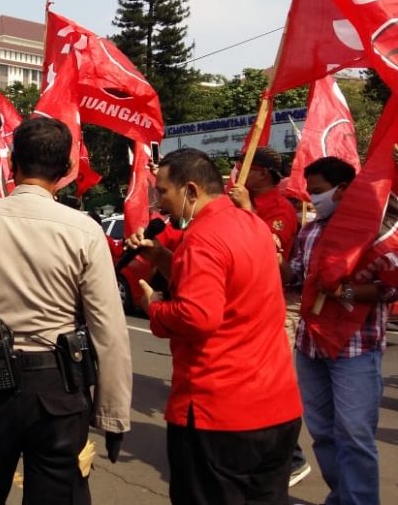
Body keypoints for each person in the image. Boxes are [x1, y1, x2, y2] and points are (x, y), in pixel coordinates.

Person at [0, 117, 132, 505]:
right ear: (66, 169)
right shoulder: (85, 230)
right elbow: (108, 328)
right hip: (60, 389)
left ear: (12, 164)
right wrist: (113, 413)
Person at [128, 148, 302, 504]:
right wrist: (161, 256)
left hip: (219, 413)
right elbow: (224, 287)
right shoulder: (252, 224)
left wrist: (155, 308)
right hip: (275, 407)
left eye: (163, 192)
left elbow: (197, 315)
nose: (160, 204)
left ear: (191, 190)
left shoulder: (203, 237)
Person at [286, 155, 396, 505]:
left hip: (355, 349)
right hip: (310, 345)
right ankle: (340, 497)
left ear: (343, 189)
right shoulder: (309, 230)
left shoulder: (373, 232)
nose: (312, 198)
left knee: (354, 436)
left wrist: (344, 292)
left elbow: (390, 288)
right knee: (322, 432)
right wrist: (274, 260)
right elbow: (297, 276)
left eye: (318, 190)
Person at [229, 145, 309, 486]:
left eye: (244, 166)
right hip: (253, 304)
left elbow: (269, 256)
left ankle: (292, 459)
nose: (238, 172)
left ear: (261, 172)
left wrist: (246, 211)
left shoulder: (278, 209)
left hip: (278, 304)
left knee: (270, 384)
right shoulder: (244, 204)